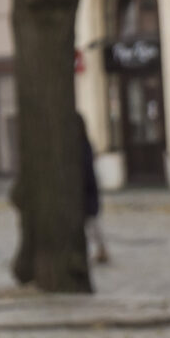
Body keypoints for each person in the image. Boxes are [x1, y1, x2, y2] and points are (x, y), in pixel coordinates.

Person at [78, 111, 109, 266]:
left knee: (91, 223)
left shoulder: (83, 145)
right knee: (91, 224)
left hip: (87, 191)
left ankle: (100, 250)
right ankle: (99, 250)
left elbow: (87, 170)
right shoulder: (84, 144)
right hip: (88, 190)